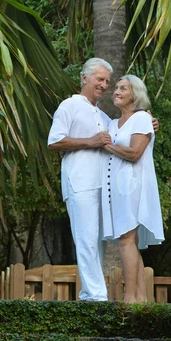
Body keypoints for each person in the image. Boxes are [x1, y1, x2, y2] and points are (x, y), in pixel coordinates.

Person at [48, 58, 113, 301]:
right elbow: (55, 141)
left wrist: (147, 124)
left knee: (98, 243)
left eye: (107, 81)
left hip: (102, 185)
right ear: (85, 78)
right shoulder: (69, 106)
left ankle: (89, 294)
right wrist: (90, 141)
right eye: (100, 79)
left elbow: (120, 138)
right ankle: (97, 297)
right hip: (79, 183)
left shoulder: (104, 116)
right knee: (86, 239)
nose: (105, 85)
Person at [101, 75, 164, 303]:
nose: (116, 91)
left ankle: (129, 299)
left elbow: (135, 153)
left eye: (123, 88)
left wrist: (107, 145)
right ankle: (140, 299)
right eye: (116, 88)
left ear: (134, 94)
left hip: (133, 185)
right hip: (116, 188)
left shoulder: (141, 119)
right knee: (128, 240)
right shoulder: (111, 123)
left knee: (126, 238)